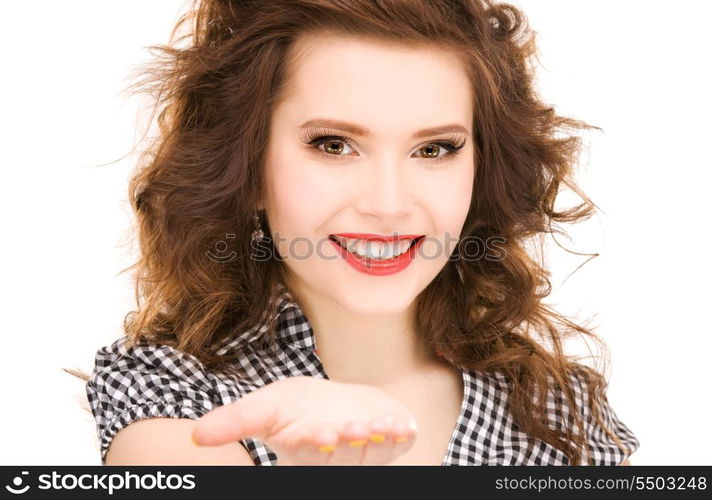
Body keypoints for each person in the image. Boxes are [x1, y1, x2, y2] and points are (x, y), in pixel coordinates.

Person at [79, 0, 640, 465]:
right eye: (333, 145)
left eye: (435, 149)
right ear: (247, 167)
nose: (388, 205)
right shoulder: (171, 391)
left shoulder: (557, 409)